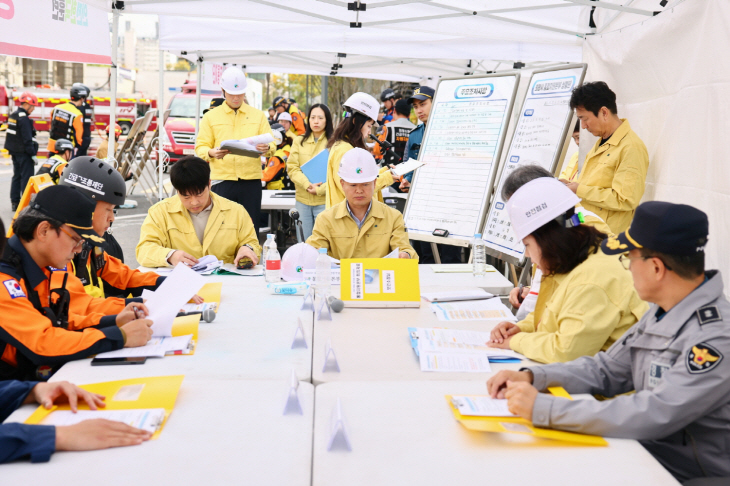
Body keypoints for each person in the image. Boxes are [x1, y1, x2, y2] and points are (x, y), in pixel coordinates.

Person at [487, 202, 730, 484]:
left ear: (655, 268)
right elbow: (606, 370)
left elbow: (656, 412)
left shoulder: (714, 337)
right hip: (645, 455)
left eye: (629, 259)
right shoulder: (663, 311)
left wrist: (545, 409)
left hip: (690, 474)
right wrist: (534, 376)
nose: (626, 269)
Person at [0, 187, 154, 381]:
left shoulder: (37, 266)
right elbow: (43, 342)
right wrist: (119, 336)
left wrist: (112, 321)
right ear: (44, 230)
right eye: (75, 238)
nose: (79, 248)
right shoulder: (6, 279)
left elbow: (58, 321)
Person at [488, 177, 647, 364]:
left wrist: (515, 341)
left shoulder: (593, 279)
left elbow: (565, 352)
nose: (529, 255)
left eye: (528, 245)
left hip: (600, 390)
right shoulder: (573, 260)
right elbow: (555, 314)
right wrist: (521, 328)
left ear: (548, 240)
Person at [502, 165, 614, 321]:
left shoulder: (581, 227)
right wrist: (530, 290)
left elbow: (582, 290)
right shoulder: (549, 225)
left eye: (520, 204)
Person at [58, 156, 166, 300]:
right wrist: (127, 308)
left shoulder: (86, 243)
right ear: (83, 206)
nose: (112, 218)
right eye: (108, 209)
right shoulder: (56, 252)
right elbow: (75, 309)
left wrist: (164, 282)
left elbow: (121, 274)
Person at [136, 156, 261, 268]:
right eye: (186, 197)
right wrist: (170, 255)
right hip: (180, 283)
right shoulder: (160, 212)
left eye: (199, 194)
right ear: (177, 190)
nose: (194, 202)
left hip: (225, 281)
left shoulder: (236, 211)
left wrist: (247, 250)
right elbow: (144, 249)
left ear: (209, 184)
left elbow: (251, 243)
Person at [560, 81, 649, 234]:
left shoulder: (631, 147)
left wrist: (579, 189)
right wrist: (571, 184)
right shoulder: (602, 141)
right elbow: (595, 184)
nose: (583, 126)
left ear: (604, 113)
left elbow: (625, 199)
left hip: (607, 239)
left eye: (584, 118)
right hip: (588, 232)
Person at [195, 66, 275, 234]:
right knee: (221, 228)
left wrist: (267, 148)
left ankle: (250, 258)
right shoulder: (211, 116)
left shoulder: (258, 115)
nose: (236, 98)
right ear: (223, 91)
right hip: (222, 181)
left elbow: (272, 143)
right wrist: (211, 153)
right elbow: (200, 146)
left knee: (250, 227)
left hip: (251, 181)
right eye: (232, 94)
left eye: (240, 94)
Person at [307, 148, 417, 261]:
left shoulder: (393, 217)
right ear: (342, 184)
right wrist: (309, 254)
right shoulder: (326, 219)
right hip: (343, 278)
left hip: (380, 278)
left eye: (365, 184)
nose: (359, 190)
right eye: (353, 185)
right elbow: (313, 250)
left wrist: (405, 254)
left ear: (374, 183)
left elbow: (404, 248)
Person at [325, 92, 394, 209]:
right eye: (368, 126)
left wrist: (385, 171)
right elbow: (354, 189)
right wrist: (387, 178)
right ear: (355, 122)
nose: (369, 133)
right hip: (346, 221)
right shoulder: (344, 151)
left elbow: (359, 176)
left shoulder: (345, 147)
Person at [287, 103, 333, 242]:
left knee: (323, 243)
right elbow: (292, 168)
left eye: (320, 117)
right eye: (312, 117)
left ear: (327, 120)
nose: (316, 121)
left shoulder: (334, 142)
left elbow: (337, 173)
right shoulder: (299, 141)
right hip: (303, 200)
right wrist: (307, 185)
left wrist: (319, 190)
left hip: (325, 199)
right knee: (303, 242)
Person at [5, 92, 40, 211]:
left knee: (17, 177)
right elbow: (27, 139)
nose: (34, 109)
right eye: (33, 106)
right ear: (27, 104)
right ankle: (25, 205)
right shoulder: (24, 119)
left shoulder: (14, 115)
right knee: (26, 179)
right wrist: (33, 155)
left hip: (15, 152)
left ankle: (15, 202)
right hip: (24, 154)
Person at [398, 85, 434, 192]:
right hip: (421, 193)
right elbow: (409, 165)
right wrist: (407, 180)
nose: (419, 110)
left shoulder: (449, 131)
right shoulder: (414, 135)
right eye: (416, 107)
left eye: (422, 104)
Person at [373, 99, 416, 182]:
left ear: (394, 110)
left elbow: (377, 150)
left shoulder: (387, 127)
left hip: (390, 174)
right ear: (409, 114)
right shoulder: (415, 129)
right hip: (408, 176)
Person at [47, 85, 84, 155]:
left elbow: (51, 126)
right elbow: (78, 136)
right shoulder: (77, 114)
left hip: (53, 146)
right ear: (81, 99)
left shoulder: (56, 108)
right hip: (66, 150)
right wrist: (77, 146)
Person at [261, 123, 291, 190]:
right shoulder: (287, 149)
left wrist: (252, 173)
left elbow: (267, 176)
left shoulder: (277, 157)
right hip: (284, 187)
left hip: (275, 190)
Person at [73, 83, 93, 157]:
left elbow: (78, 126)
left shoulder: (80, 107)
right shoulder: (87, 106)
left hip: (81, 138)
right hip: (87, 137)